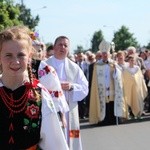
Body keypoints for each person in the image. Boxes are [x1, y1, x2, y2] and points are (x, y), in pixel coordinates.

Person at [0, 26, 69, 150]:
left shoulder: (40, 95)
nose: (15, 61)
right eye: (8, 55)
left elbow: (54, 144)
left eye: (21, 55)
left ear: (29, 57)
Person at [41, 36, 89, 150]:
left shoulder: (75, 67)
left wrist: (72, 86)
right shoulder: (44, 65)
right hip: (51, 109)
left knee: (72, 135)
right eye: (60, 44)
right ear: (54, 47)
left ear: (68, 49)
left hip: (69, 110)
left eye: (65, 45)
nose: (63, 47)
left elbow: (85, 88)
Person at [89, 40, 127, 126]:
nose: (105, 55)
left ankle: (114, 119)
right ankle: (103, 120)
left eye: (106, 53)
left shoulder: (114, 64)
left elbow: (119, 76)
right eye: (103, 54)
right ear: (101, 55)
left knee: (112, 103)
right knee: (104, 103)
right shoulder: (97, 65)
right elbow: (95, 79)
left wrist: (116, 73)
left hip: (112, 86)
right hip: (101, 88)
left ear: (109, 54)